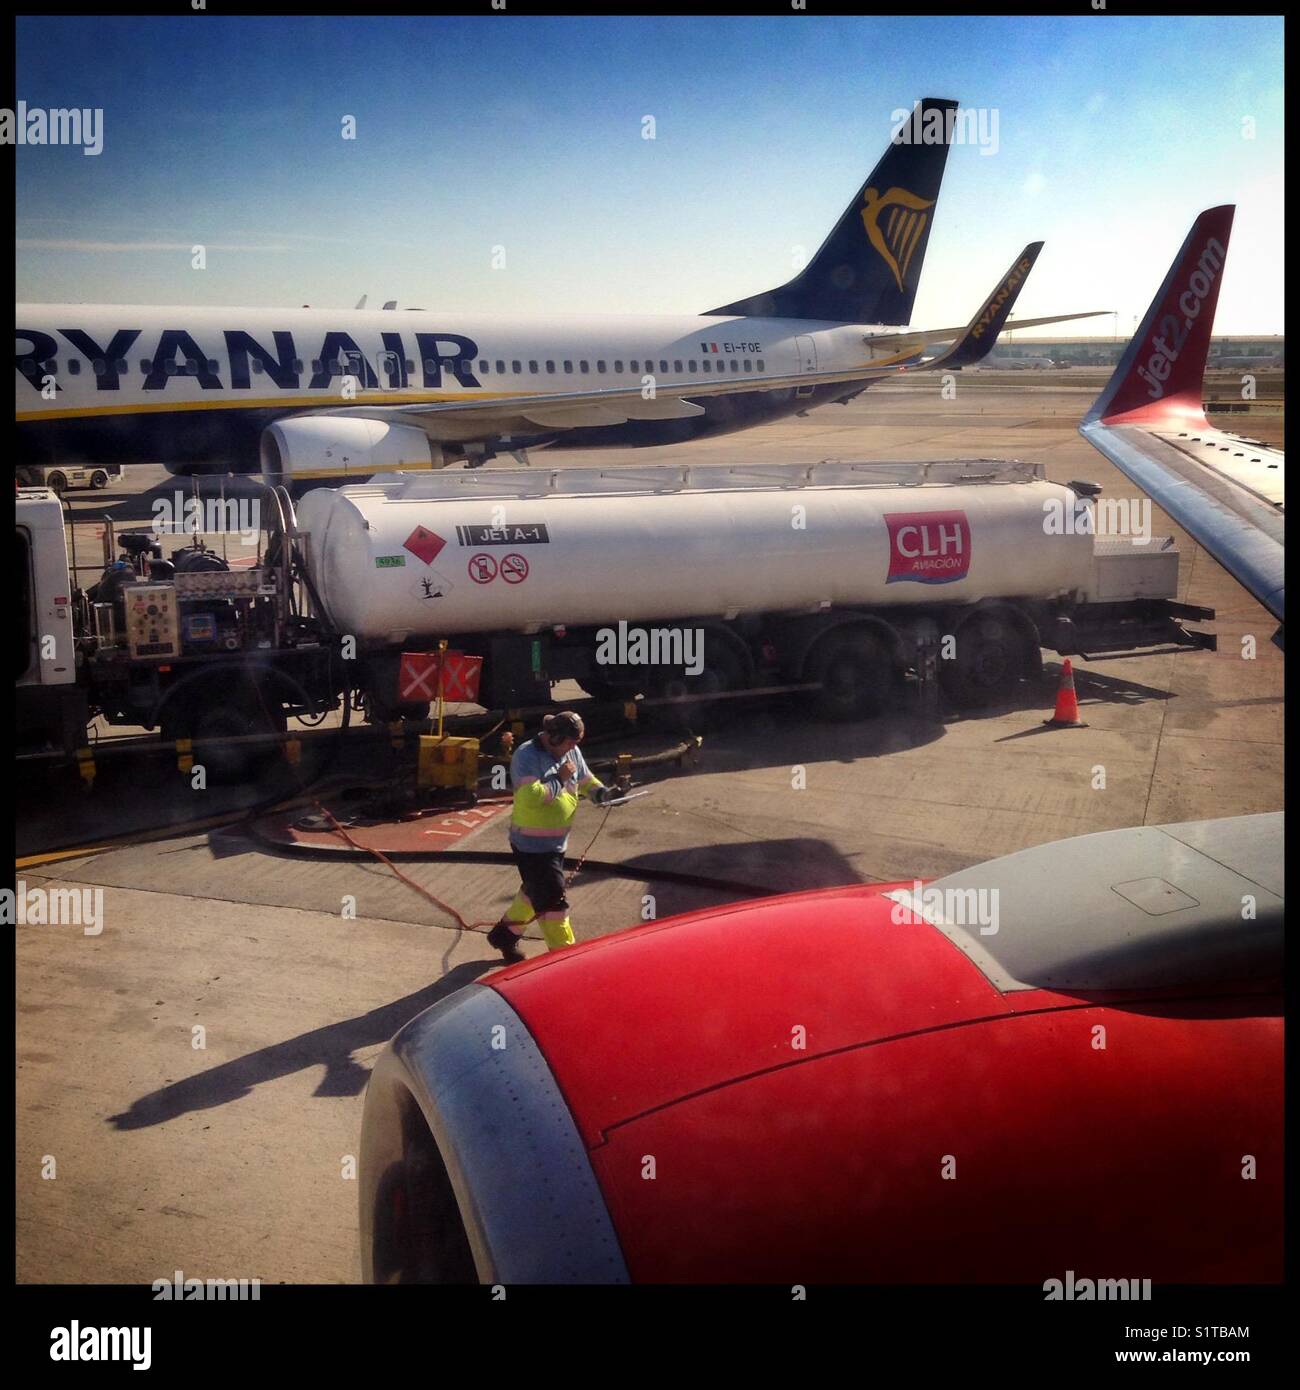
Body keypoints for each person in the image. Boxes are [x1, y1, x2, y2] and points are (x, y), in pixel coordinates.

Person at [487, 711, 610, 962]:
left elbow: (585, 778)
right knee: (553, 903)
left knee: (535, 892)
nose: (574, 748)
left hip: (555, 844)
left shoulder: (570, 750)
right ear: (554, 738)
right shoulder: (526, 756)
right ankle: (566, 961)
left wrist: (602, 793)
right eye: (570, 743)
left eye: (576, 744)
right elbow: (531, 797)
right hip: (531, 846)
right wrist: (559, 777)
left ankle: (504, 935)